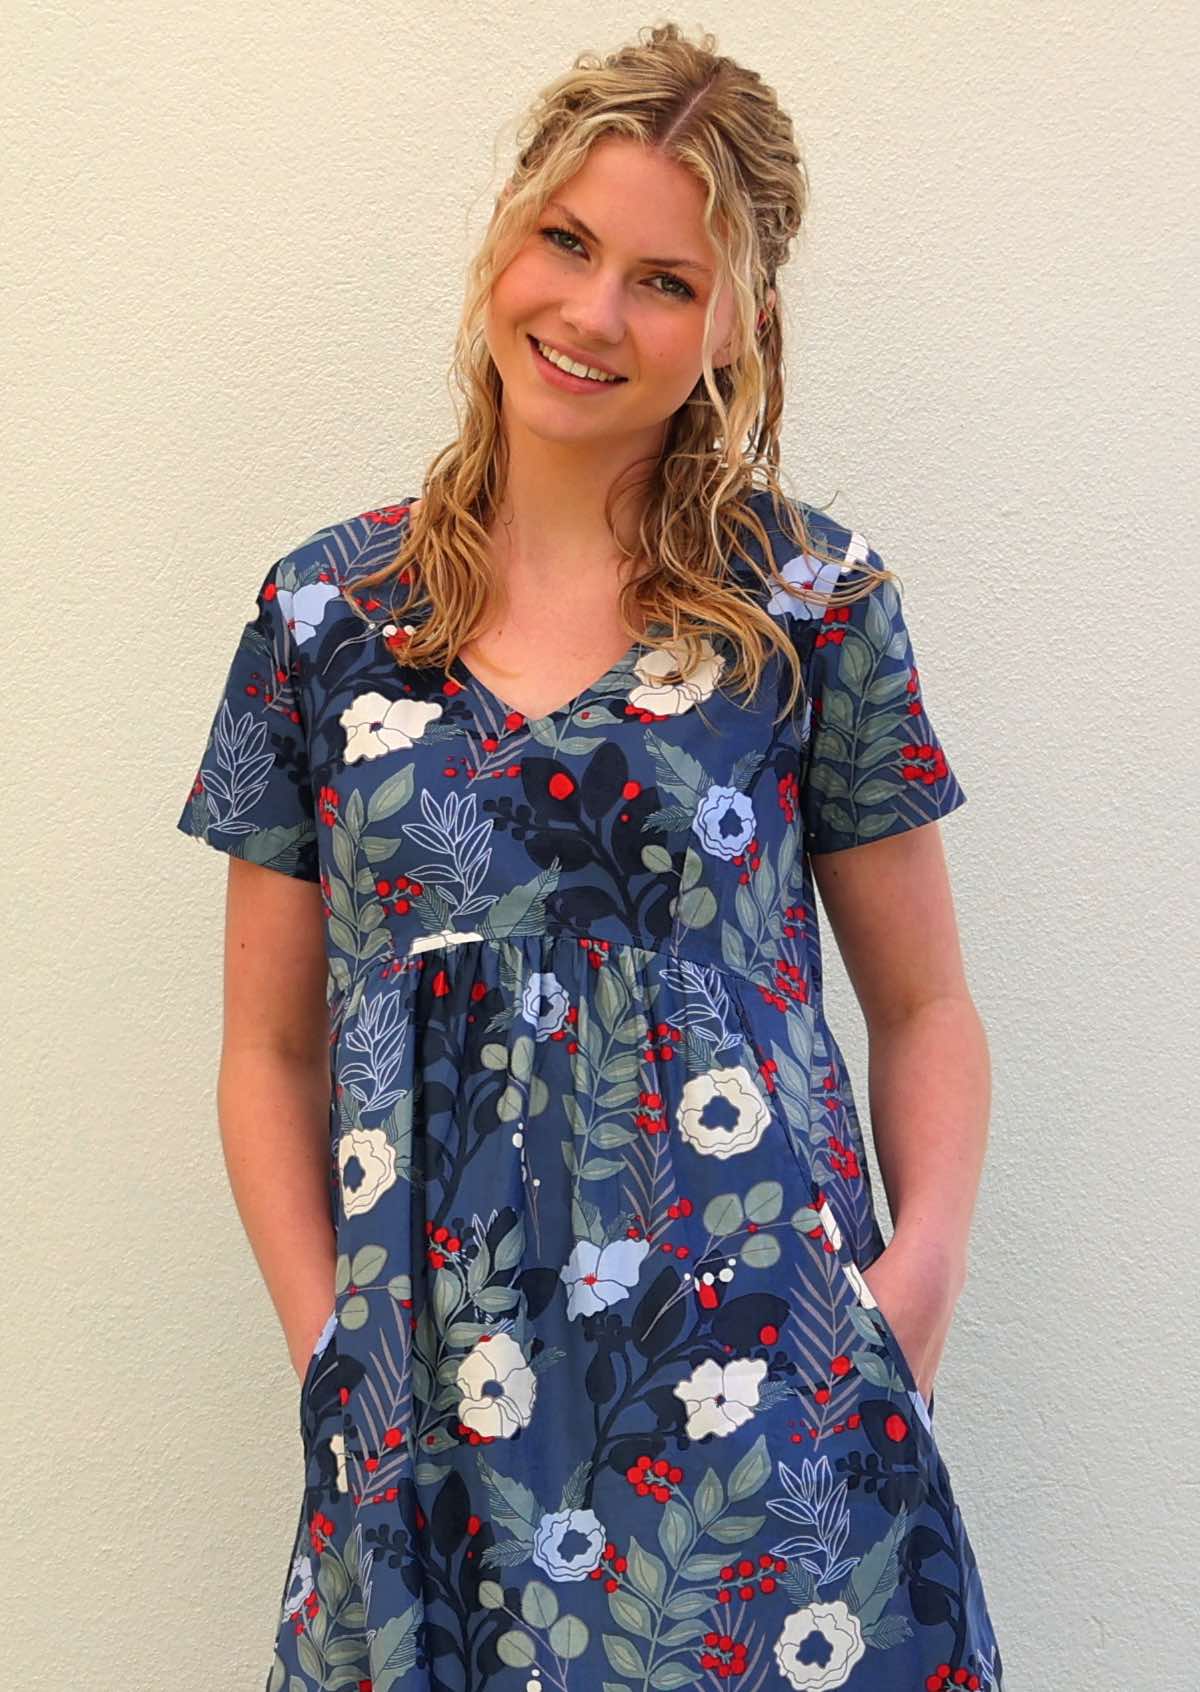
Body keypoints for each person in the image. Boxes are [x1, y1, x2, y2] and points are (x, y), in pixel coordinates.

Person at [176, 22, 1003, 1692]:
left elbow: (925, 1006)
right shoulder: (325, 621)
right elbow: (263, 1048)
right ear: (503, 236)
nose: (593, 315)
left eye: (663, 280)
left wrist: (912, 1290)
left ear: (736, 328)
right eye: (566, 241)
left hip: (764, 1401)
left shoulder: (812, 607)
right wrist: (329, 1347)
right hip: (425, 1422)